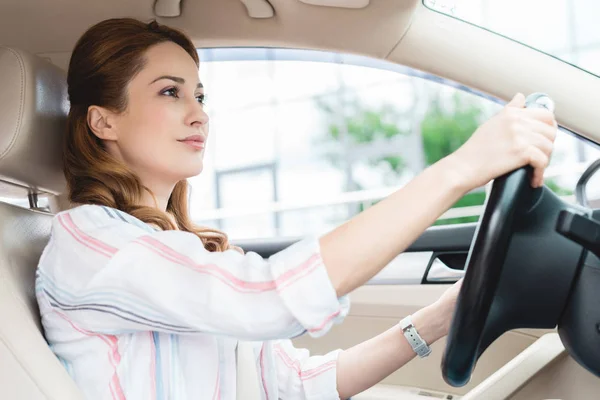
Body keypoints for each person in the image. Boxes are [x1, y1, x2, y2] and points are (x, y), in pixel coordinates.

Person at [35, 17, 557, 400]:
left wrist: (447, 313)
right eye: (171, 92)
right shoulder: (91, 242)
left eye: (200, 95)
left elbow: (296, 384)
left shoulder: (179, 250)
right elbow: (268, 298)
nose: (198, 114)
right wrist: (461, 168)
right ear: (104, 122)